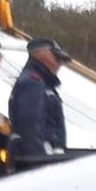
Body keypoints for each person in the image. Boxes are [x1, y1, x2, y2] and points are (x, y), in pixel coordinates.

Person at [8, 38, 72, 169]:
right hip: (38, 163)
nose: (59, 64)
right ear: (42, 57)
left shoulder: (41, 83)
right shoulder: (33, 83)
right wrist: (41, 164)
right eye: (57, 59)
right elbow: (30, 129)